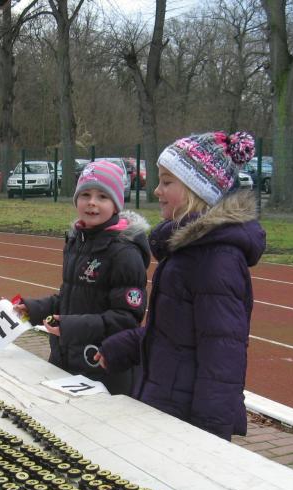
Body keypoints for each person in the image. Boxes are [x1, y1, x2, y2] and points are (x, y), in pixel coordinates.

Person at [97, 131, 266, 440]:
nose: (156, 190)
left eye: (166, 182)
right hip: (166, 404)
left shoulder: (216, 260)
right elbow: (175, 331)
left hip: (185, 421)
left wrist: (208, 439)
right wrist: (124, 346)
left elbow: (221, 356)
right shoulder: (188, 251)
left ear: (197, 191)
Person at [14, 160, 150, 395]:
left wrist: (70, 327)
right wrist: (33, 309)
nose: (92, 202)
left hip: (103, 369)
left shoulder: (125, 252)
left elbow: (126, 319)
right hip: (66, 360)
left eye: (102, 196)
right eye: (85, 194)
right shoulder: (77, 241)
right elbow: (70, 298)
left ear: (116, 205)